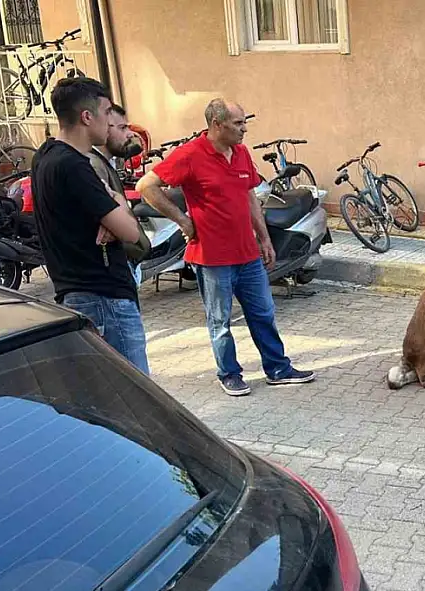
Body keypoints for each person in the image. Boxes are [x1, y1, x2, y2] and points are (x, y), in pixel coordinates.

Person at [135, 98, 315, 397]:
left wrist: (265, 239)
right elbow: (146, 186)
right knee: (220, 321)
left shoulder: (242, 154)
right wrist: (183, 220)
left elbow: (249, 197)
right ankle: (229, 373)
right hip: (212, 257)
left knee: (263, 313)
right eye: (238, 124)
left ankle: (278, 369)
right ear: (217, 125)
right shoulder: (190, 155)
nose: (244, 129)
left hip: (247, 254)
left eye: (244, 123)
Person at [30, 77, 151, 374]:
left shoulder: (45, 154)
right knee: (135, 396)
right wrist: (117, 202)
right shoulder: (75, 166)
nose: (111, 122)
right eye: (107, 112)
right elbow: (131, 232)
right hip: (103, 296)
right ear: (87, 116)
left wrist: (110, 211)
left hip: (79, 290)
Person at [85, 103, 149, 286]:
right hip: (112, 268)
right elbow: (107, 222)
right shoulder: (93, 164)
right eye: (122, 128)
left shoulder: (106, 162)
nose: (129, 133)